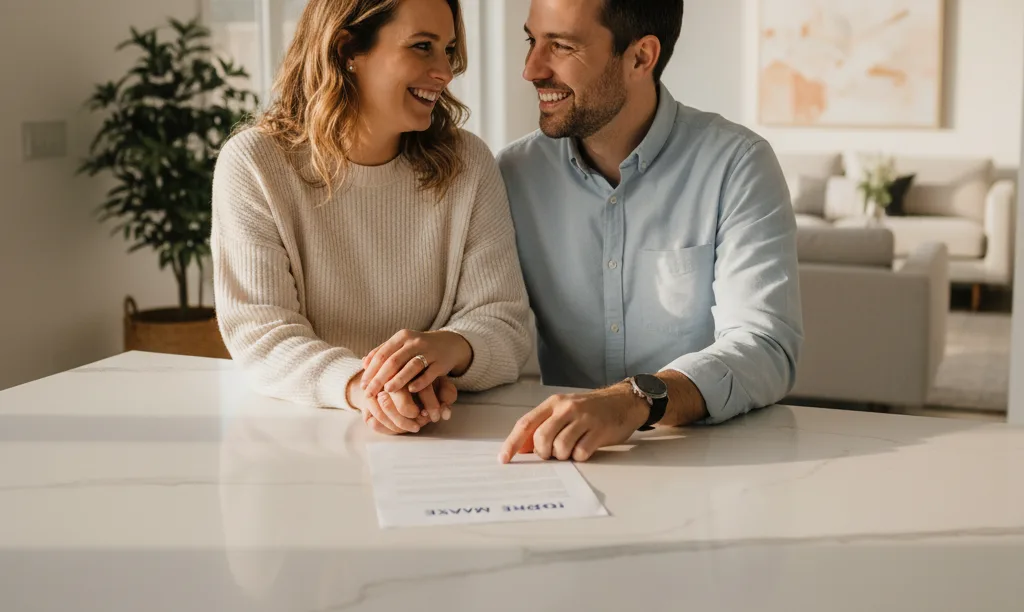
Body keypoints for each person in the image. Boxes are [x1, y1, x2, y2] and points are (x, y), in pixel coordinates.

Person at [496, 0, 803, 464]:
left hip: (709, 459)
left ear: (641, 57)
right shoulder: (512, 175)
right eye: (531, 40)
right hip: (559, 461)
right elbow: (489, 318)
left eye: (560, 46)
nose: (531, 69)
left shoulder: (737, 165)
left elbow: (765, 347)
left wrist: (634, 401)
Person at [212, 0, 532, 436]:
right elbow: (262, 334)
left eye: (448, 49)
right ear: (347, 50)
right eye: (422, 46)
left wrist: (450, 348)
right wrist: (366, 387)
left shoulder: (468, 163)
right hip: (301, 437)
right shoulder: (255, 164)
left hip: (448, 434)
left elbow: (505, 325)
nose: (445, 71)